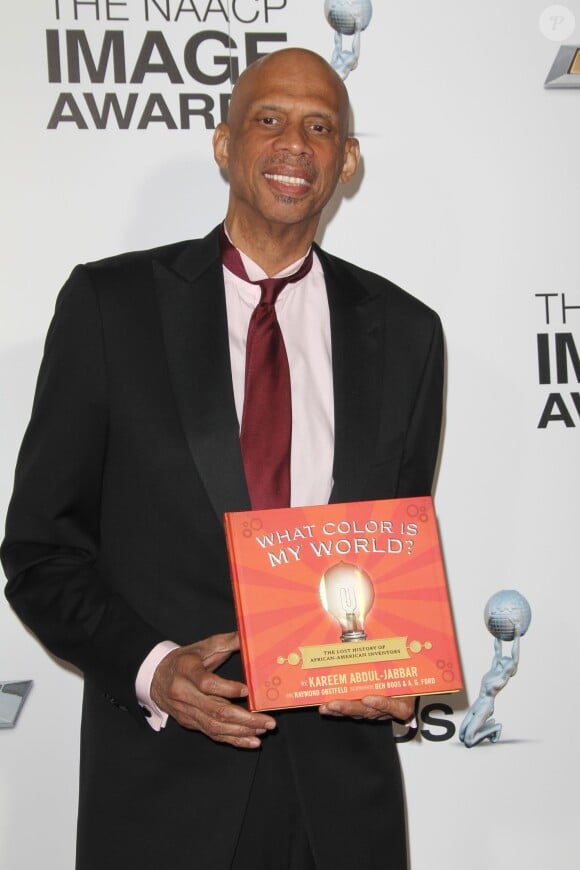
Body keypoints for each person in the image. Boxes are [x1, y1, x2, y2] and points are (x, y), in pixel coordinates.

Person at [2, 48, 443, 870]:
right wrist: (153, 668)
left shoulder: (408, 333)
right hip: (163, 794)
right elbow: (41, 553)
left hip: (344, 808)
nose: (294, 144)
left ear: (346, 162)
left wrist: (398, 673)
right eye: (268, 119)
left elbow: (395, 556)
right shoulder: (110, 307)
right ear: (223, 144)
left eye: (320, 127)